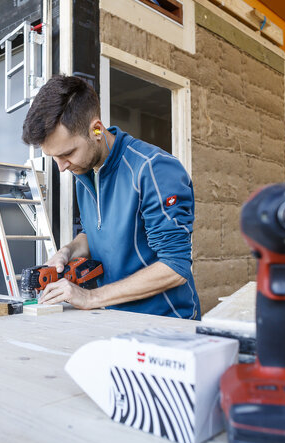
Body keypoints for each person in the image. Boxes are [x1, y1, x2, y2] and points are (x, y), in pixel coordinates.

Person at [22, 75, 200, 319]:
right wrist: (68, 251)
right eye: (54, 157)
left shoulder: (153, 169)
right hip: (115, 318)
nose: (61, 167)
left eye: (67, 153)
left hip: (166, 325)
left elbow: (175, 266)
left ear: (96, 129)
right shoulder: (85, 172)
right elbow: (96, 232)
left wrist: (90, 297)